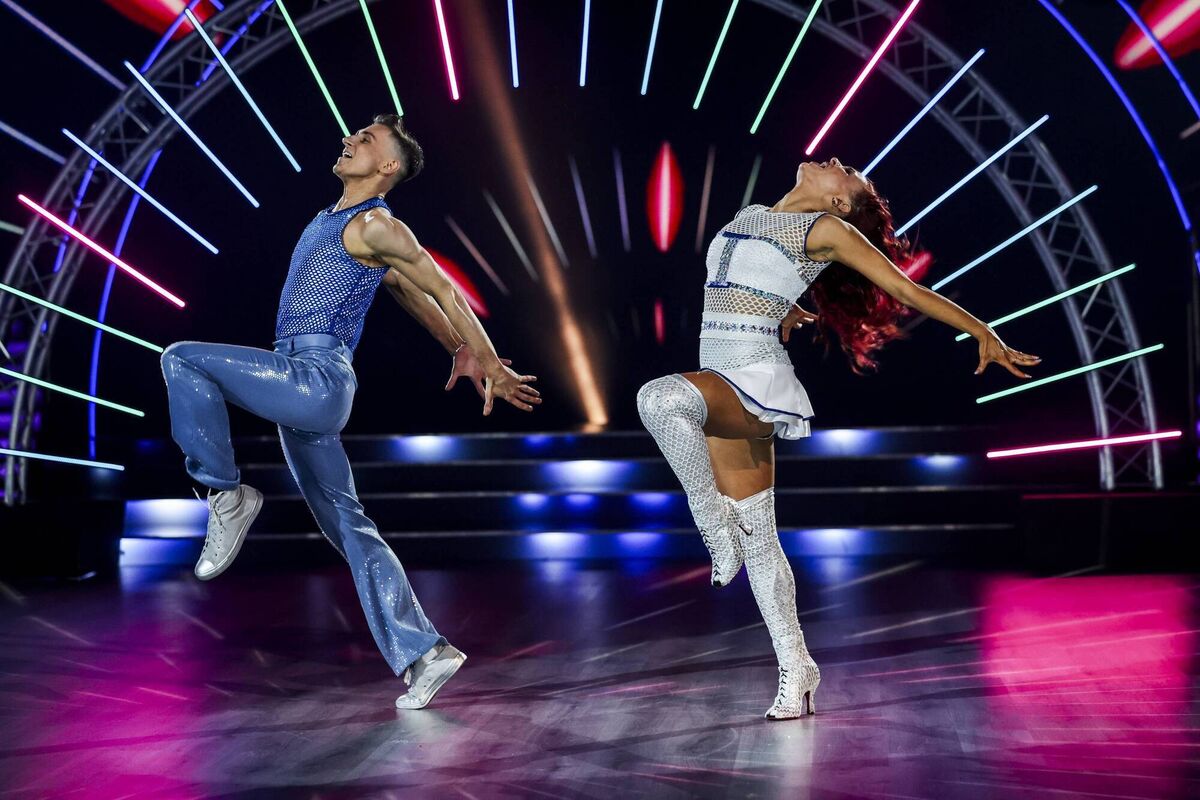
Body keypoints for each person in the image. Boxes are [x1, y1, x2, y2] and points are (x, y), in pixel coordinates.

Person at [159, 114, 541, 710]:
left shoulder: (378, 225)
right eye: (354, 134)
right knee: (350, 526)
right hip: (298, 383)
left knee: (182, 358)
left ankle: (225, 494)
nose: (350, 139)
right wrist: (458, 350)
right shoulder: (338, 224)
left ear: (388, 167)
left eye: (366, 140)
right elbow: (413, 297)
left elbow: (442, 286)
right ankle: (425, 652)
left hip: (313, 380)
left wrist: (488, 360)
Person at [636, 157, 1040, 720]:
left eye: (847, 173)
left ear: (841, 204)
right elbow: (749, 282)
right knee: (761, 539)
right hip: (723, 379)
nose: (836, 163)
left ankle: (711, 525)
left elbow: (907, 290)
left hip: (751, 384)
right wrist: (789, 308)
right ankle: (797, 666)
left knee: (658, 399)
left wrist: (981, 330)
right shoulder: (753, 214)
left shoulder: (827, 231)